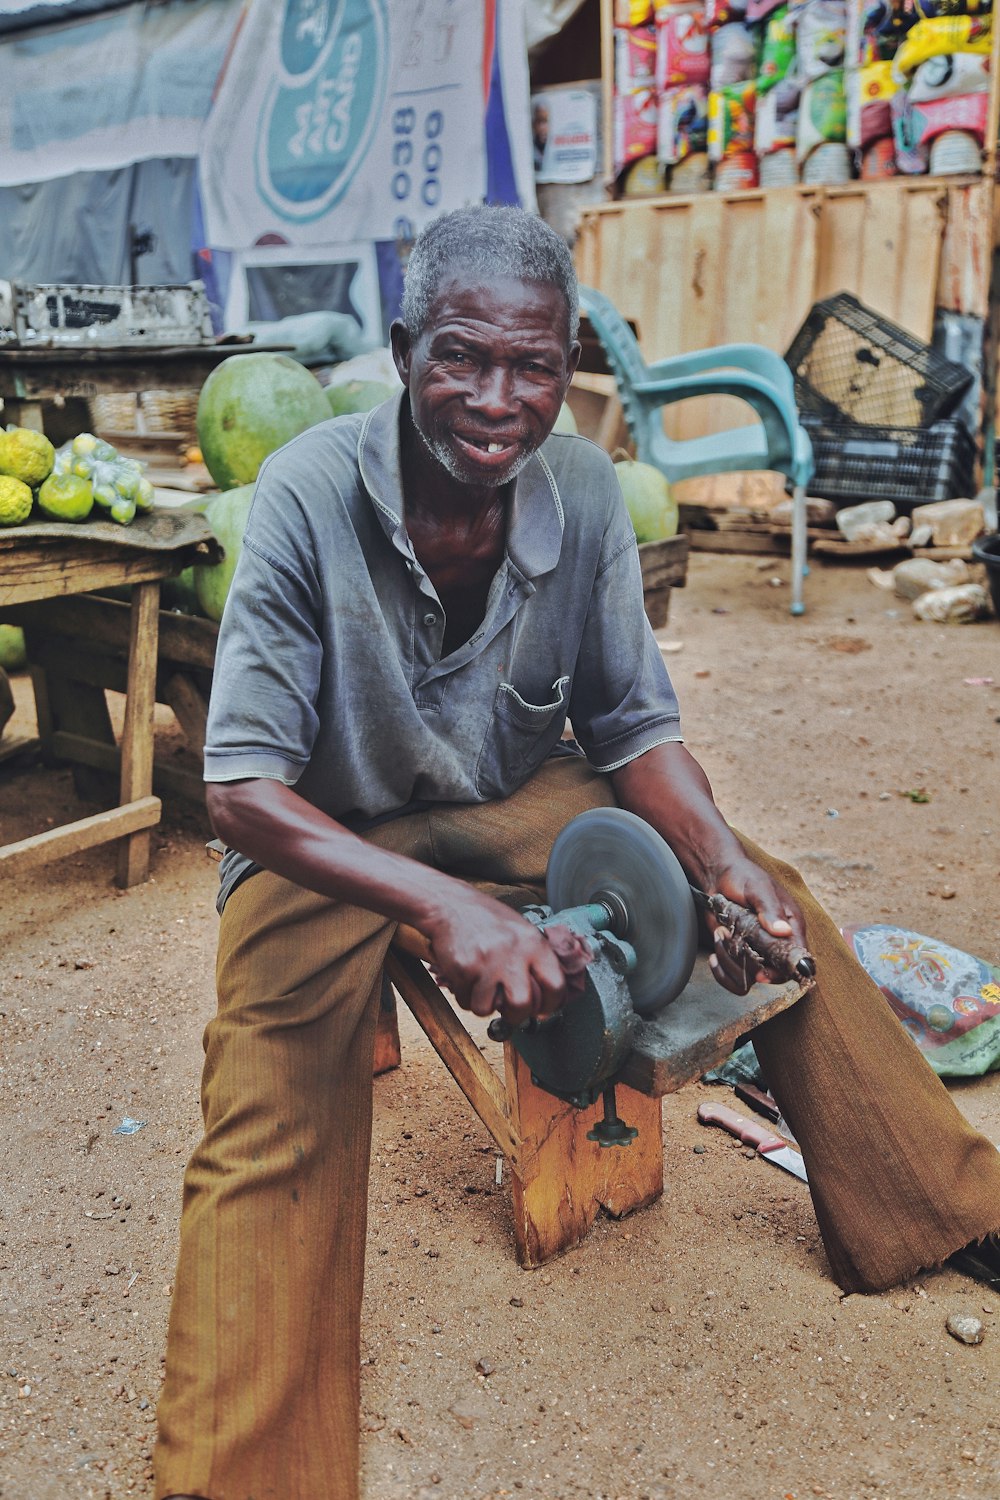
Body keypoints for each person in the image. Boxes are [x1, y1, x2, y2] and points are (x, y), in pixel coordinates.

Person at [154, 205, 1000, 1500]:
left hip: (504, 789)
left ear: (569, 365)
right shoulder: (308, 494)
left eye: (534, 366)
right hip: (322, 837)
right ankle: (240, 1477)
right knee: (269, 1100)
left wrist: (720, 861)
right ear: (403, 347)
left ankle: (942, 1205)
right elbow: (244, 790)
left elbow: (633, 725)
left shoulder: (589, 491)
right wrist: (442, 907)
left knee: (779, 908)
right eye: (462, 358)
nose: (499, 400)